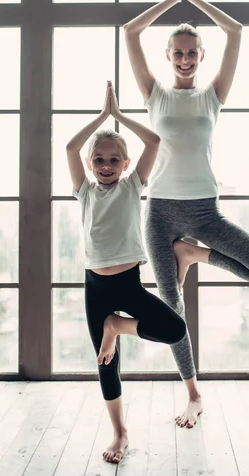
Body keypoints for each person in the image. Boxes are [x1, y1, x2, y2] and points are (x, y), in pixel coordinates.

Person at [123, 0, 249, 428]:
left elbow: (235, 32)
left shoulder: (212, 96)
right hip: (159, 212)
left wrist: (193, 0)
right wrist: (169, 1)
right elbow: (129, 32)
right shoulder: (154, 95)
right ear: (168, 55)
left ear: (200, 56)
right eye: (177, 52)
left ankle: (196, 256)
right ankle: (193, 393)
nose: (184, 58)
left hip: (204, 210)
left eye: (192, 52)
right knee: (171, 311)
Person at [66, 81, 187, 463]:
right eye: (99, 160)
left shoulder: (133, 184)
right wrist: (100, 118)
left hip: (128, 285)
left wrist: (119, 117)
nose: (105, 166)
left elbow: (153, 142)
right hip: (96, 287)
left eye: (113, 159)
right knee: (106, 365)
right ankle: (120, 434)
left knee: (175, 329)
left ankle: (117, 327)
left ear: (126, 163)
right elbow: (70, 148)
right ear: (90, 164)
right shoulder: (85, 190)